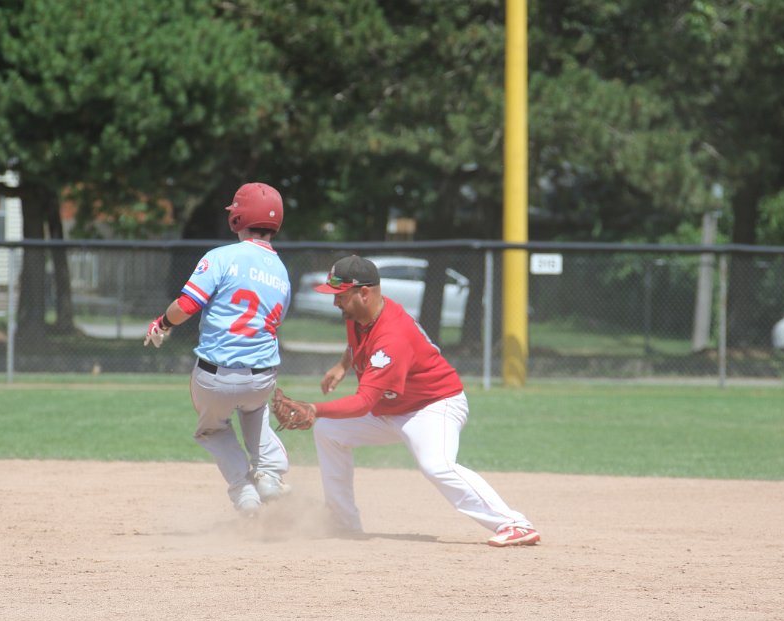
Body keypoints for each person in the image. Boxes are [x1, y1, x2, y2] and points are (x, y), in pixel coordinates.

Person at [274, 255, 540, 547]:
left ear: (365, 292)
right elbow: (357, 343)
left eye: (341, 295)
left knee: (436, 465)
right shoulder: (361, 314)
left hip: (432, 406)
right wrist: (342, 365)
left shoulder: (393, 336)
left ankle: (514, 523)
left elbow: (363, 402)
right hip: (391, 406)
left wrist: (314, 408)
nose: (336, 302)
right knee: (329, 431)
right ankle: (342, 521)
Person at [144, 182, 292, 518]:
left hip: (215, 378)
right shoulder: (282, 272)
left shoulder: (221, 257)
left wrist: (162, 324)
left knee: (212, 428)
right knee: (255, 410)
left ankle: (244, 492)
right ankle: (270, 474)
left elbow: (186, 306)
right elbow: (274, 323)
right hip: (261, 377)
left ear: (238, 218)